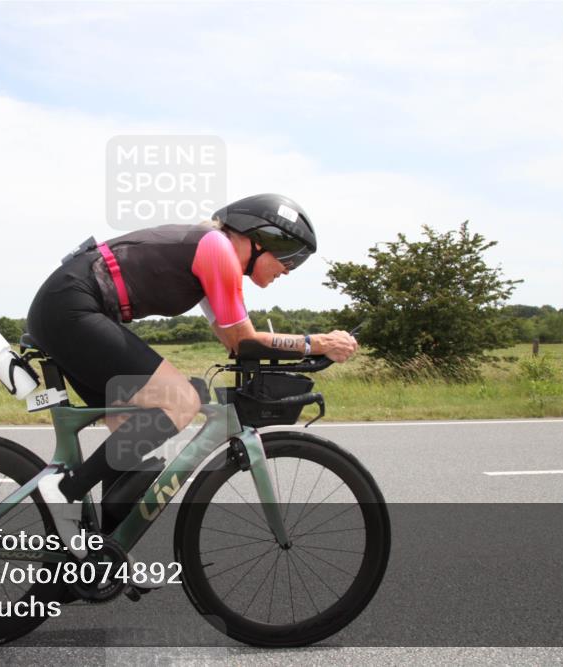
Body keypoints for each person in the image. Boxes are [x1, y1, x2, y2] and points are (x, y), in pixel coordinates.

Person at [26, 193, 358, 557]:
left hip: (69, 307)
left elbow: (236, 344)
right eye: (290, 257)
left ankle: (97, 559)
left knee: (131, 454)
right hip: (72, 306)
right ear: (262, 239)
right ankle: (64, 492)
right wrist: (316, 343)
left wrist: (306, 348)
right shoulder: (217, 249)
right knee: (182, 401)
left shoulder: (208, 254)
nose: (289, 269)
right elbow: (243, 338)